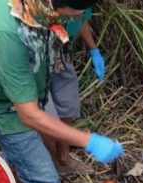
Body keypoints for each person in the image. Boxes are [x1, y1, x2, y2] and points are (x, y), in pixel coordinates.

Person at [0, 0, 124, 183]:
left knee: (26, 158)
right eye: (73, 14)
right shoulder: (8, 30)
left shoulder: (41, 9)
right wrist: (89, 141)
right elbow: (28, 115)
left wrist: (93, 50)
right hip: (5, 109)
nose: (73, 20)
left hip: (31, 92)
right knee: (44, 180)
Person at [46, 0, 106, 173]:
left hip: (61, 54)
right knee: (46, 115)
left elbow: (82, 19)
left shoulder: (79, 4)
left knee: (68, 104)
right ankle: (47, 166)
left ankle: (63, 158)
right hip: (38, 56)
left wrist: (94, 50)